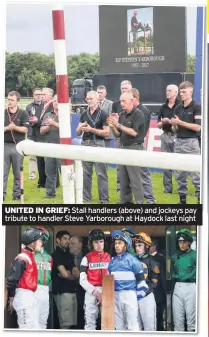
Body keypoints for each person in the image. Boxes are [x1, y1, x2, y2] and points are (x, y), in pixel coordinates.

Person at [108, 91, 145, 204]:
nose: (122, 103)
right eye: (120, 101)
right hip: (123, 148)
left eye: (124, 101)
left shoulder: (138, 113)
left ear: (132, 101)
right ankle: (125, 202)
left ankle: (139, 203)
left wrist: (118, 125)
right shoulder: (122, 115)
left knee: (135, 179)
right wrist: (113, 127)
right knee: (123, 179)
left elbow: (134, 132)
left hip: (134, 148)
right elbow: (118, 135)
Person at [108, 230, 148, 331]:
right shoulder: (111, 262)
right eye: (115, 243)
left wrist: (135, 298)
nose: (117, 245)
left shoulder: (133, 260)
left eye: (120, 243)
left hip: (129, 295)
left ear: (126, 244)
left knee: (132, 326)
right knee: (119, 327)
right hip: (115, 296)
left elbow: (142, 283)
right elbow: (108, 282)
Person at [6, 228, 45, 329]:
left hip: (30, 297)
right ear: (32, 243)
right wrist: (11, 297)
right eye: (40, 240)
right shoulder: (22, 258)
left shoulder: (30, 257)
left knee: (35, 329)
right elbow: (12, 280)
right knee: (25, 329)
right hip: (23, 297)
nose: (42, 243)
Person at [76, 91, 110, 203]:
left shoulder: (104, 113)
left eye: (91, 99)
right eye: (87, 99)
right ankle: (86, 198)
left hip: (98, 143)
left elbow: (106, 132)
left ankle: (104, 199)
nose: (89, 101)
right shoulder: (84, 114)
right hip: (86, 143)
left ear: (97, 99)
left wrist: (91, 130)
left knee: (101, 173)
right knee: (86, 173)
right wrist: (81, 128)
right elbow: (77, 132)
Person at [170, 81, 201, 204]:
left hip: (192, 142)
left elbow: (198, 127)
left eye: (184, 92)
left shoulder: (197, 107)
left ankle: (200, 200)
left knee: (196, 174)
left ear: (190, 92)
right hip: (178, 141)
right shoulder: (178, 107)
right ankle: (182, 201)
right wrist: (174, 125)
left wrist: (181, 123)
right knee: (179, 174)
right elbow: (175, 129)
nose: (181, 94)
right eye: (180, 92)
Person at [79, 229, 111, 330]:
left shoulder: (110, 258)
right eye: (96, 242)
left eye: (101, 241)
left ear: (104, 242)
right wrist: (96, 293)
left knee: (107, 323)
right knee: (90, 323)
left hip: (107, 291)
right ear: (91, 243)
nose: (99, 244)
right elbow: (82, 280)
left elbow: (112, 277)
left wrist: (104, 293)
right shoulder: (86, 258)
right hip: (91, 291)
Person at [132, 88, 156, 204]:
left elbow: (142, 130)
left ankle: (151, 200)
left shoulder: (142, 110)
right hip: (135, 144)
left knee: (143, 173)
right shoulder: (137, 109)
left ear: (135, 98)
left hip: (139, 144)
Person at [4, 91, 29, 201]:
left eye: (12, 100)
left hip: (19, 146)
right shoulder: (3, 112)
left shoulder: (23, 113)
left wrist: (15, 128)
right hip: (5, 145)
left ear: (17, 101)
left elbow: (25, 129)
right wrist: (7, 128)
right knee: (3, 172)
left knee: (18, 172)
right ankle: (2, 194)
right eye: (8, 99)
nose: (9, 102)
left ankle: (17, 194)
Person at [132, 232, 160, 331]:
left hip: (147, 296)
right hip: (134, 297)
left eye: (140, 245)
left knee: (149, 327)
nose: (137, 248)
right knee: (135, 327)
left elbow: (154, 281)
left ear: (147, 246)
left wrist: (143, 292)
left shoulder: (153, 261)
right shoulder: (132, 260)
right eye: (136, 245)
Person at [51, 231, 79, 329]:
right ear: (58, 240)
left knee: (72, 323)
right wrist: (71, 275)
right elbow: (65, 274)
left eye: (68, 239)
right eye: (64, 239)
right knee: (66, 324)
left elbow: (76, 273)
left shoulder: (70, 255)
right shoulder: (56, 255)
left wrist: (70, 275)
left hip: (72, 291)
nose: (67, 241)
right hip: (62, 292)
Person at [171, 229, 196, 332]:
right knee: (178, 321)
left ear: (189, 242)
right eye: (180, 242)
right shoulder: (174, 256)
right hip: (177, 285)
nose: (182, 244)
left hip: (191, 286)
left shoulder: (195, 255)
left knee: (191, 322)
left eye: (184, 242)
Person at [157, 85, 180, 194]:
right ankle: (167, 189)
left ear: (176, 92)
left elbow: (181, 123)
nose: (168, 92)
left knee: (178, 164)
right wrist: (162, 123)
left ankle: (181, 188)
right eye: (167, 90)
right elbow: (158, 124)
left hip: (177, 136)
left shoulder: (180, 105)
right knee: (166, 163)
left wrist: (169, 121)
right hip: (165, 135)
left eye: (170, 91)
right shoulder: (163, 106)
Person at [112, 80, 132, 193]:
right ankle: (120, 185)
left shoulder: (134, 104)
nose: (124, 90)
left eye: (126, 88)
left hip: (131, 137)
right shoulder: (116, 104)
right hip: (119, 136)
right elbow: (113, 117)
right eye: (122, 88)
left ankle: (131, 185)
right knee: (119, 163)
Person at [40, 94, 61, 199]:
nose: (56, 102)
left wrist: (53, 123)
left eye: (58, 101)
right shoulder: (47, 114)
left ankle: (69, 192)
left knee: (65, 171)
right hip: (49, 146)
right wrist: (48, 126)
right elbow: (41, 131)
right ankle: (50, 194)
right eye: (55, 101)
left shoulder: (66, 114)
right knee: (49, 171)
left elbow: (68, 129)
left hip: (62, 148)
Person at [34, 226, 53, 329]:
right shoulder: (30, 255)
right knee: (33, 319)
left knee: (43, 319)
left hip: (45, 289)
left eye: (41, 237)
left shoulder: (48, 257)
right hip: (33, 289)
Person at [149, 239, 166, 331]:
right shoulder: (147, 258)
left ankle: (160, 331)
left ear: (154, 247)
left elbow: (162, 274)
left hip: (158, 290)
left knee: (158, 314)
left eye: (149, 246)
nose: (148, 248)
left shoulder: (160, 258)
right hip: (151, 290)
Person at [26, 87, 42, 180]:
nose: (39, 96)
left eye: (40, 94)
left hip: (42, 133)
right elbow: (31, 118)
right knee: (32, 156)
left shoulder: (45, 106)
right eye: (37, 94)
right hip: (32, 134)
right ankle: (32, 174)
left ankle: (42, 175)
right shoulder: (29, 107)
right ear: (33, 96)